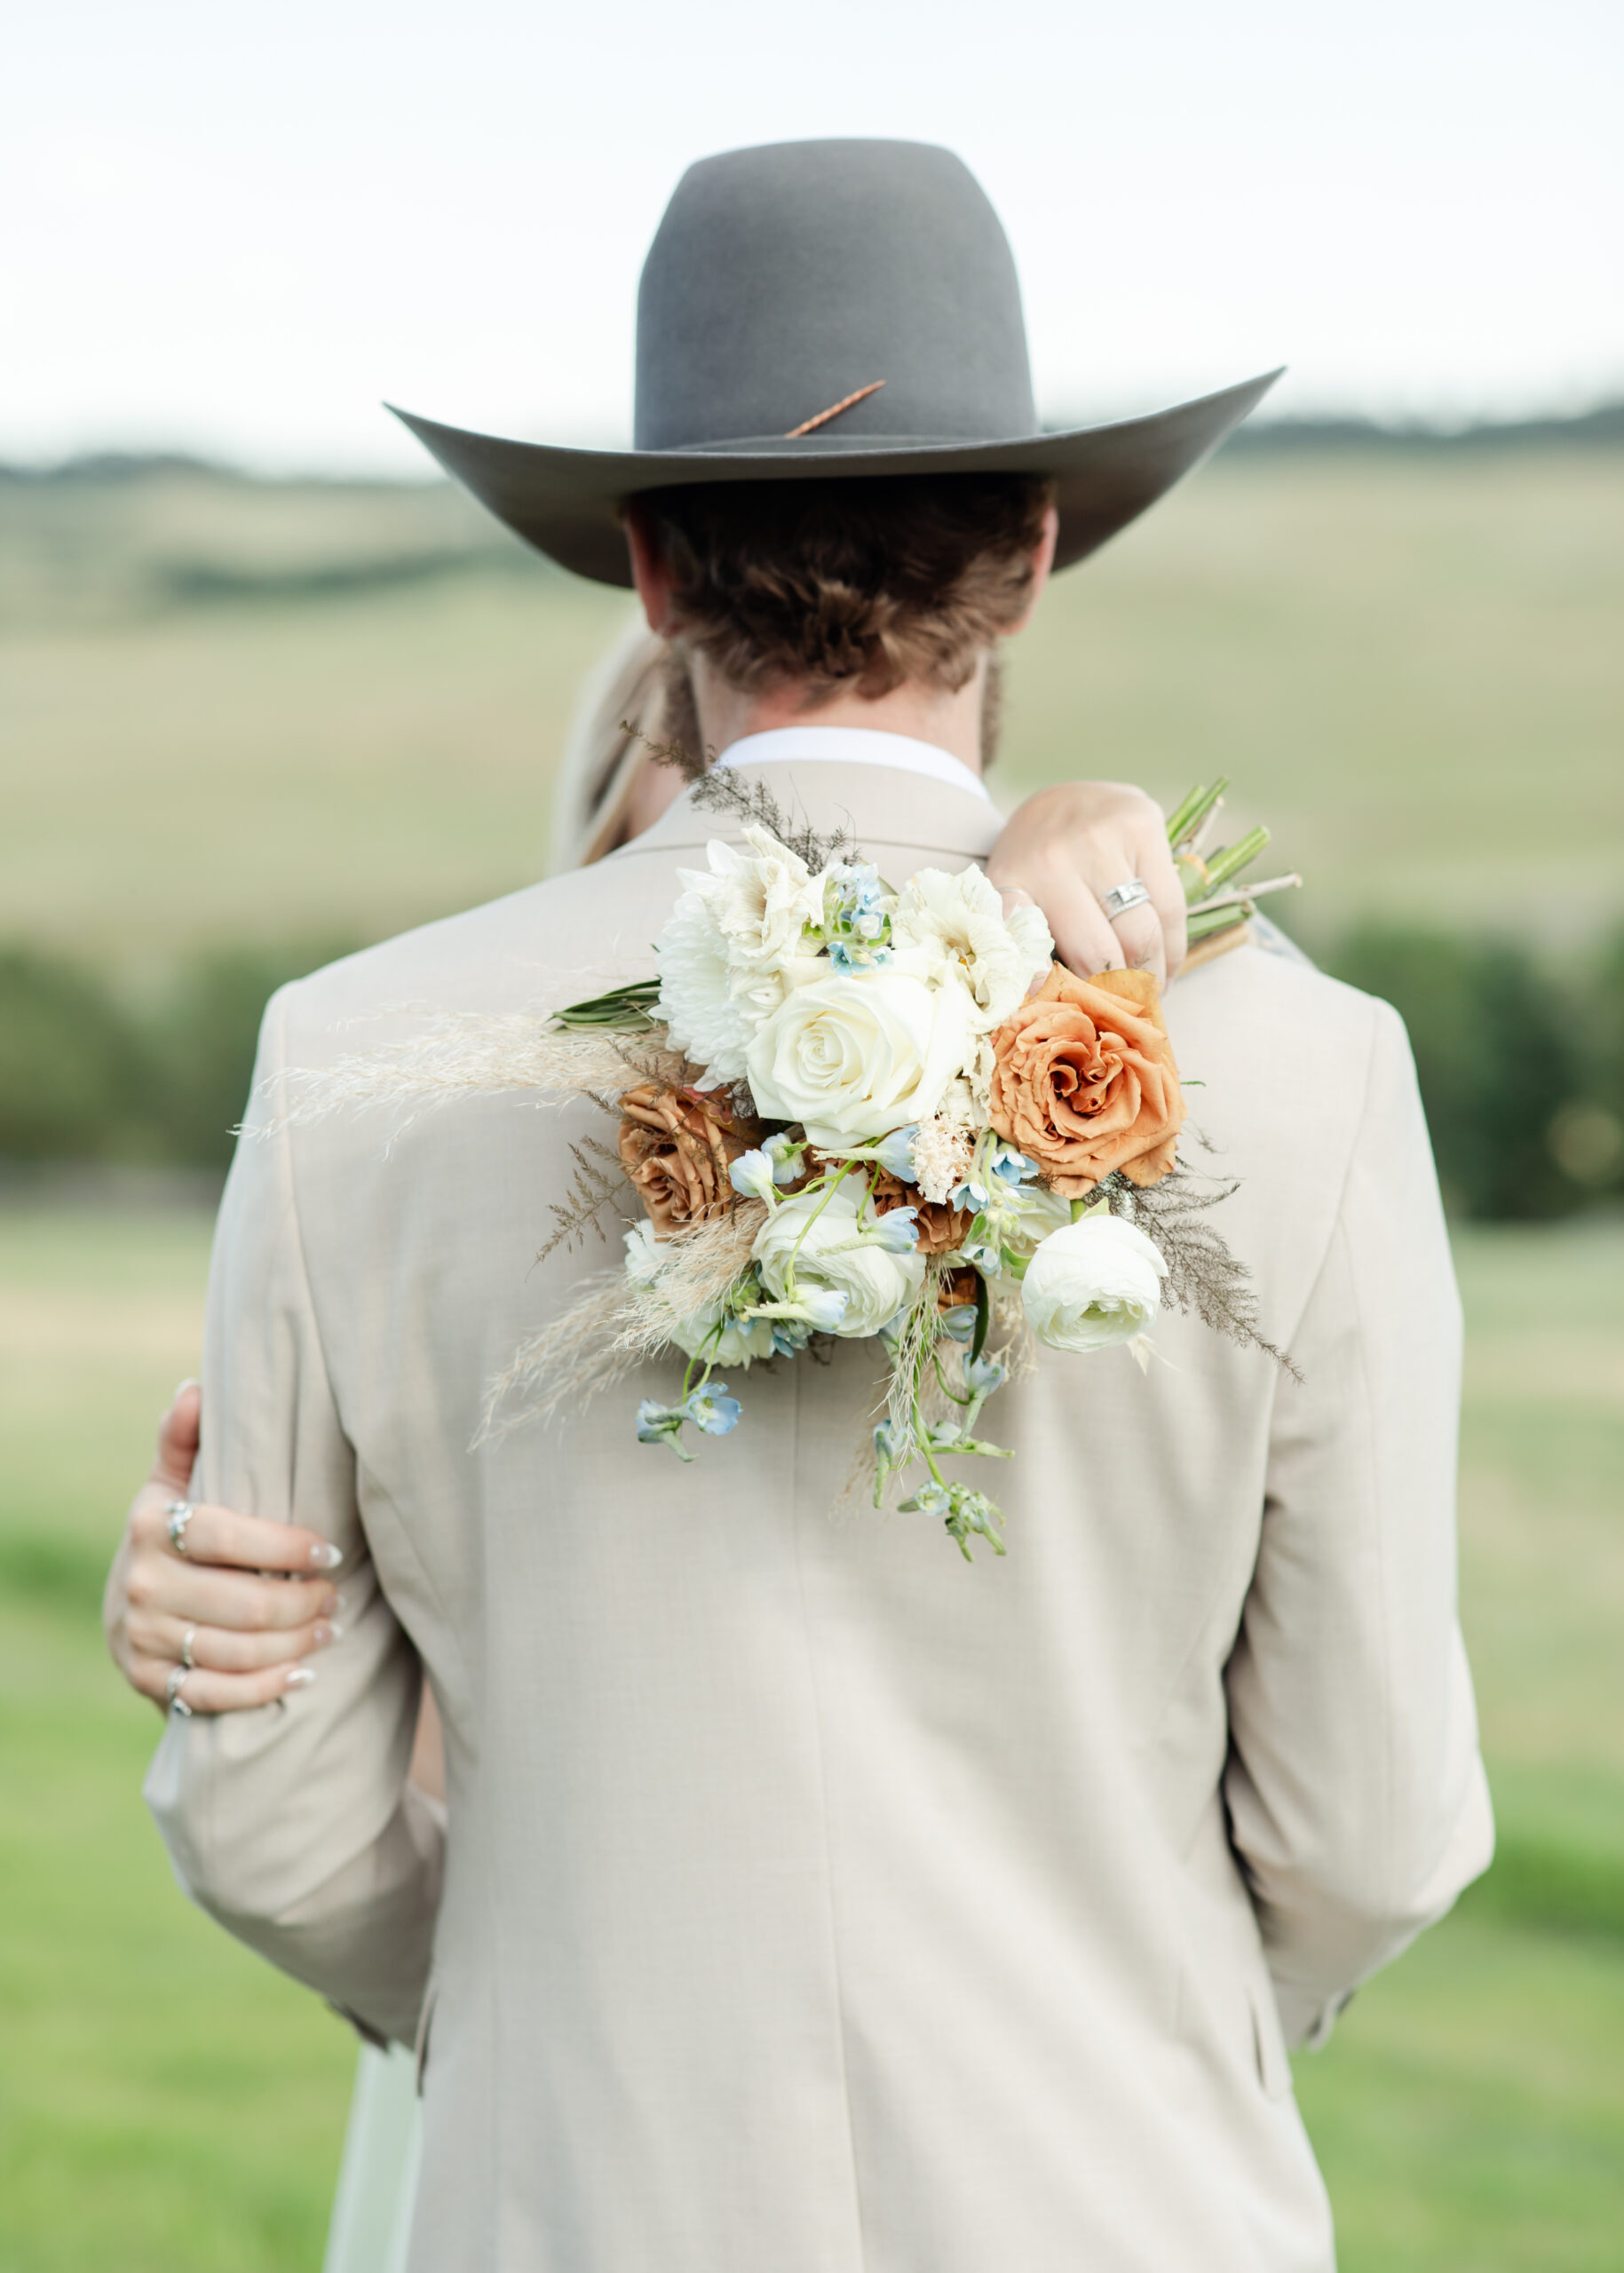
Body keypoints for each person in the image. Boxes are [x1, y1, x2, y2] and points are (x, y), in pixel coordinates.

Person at [136, 140, 1491, 2271]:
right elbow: (1371, 1819)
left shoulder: (345, 1066)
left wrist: (533, 2008)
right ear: (1034, 558)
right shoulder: (1309, 1075)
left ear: (653, 575)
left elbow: (273, 1806)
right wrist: (1168, 2020)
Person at [104, 614, 1208, 2273]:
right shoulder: (465, 1137)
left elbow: (287, 1838)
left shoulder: (1041, 993)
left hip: (572, 2136)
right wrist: (220, 1623)